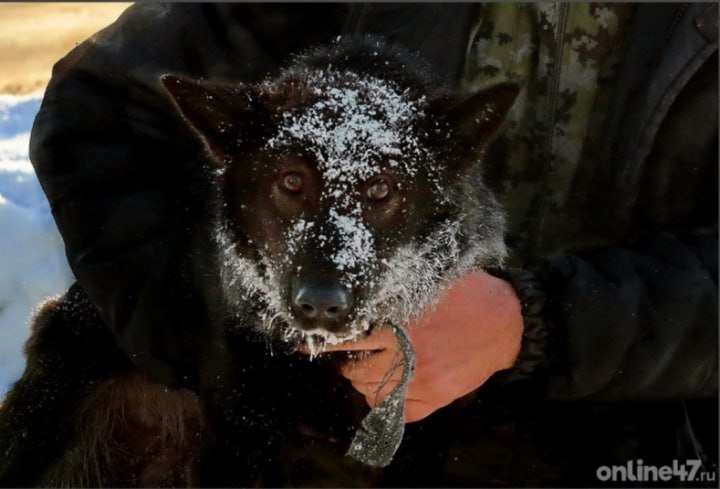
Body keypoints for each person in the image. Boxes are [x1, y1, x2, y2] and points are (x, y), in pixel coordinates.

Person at [25, 3, 718, 486]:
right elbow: (103, 109)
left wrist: (529, 325)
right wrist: (218, 351)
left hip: (625, 431)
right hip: (286, 419)